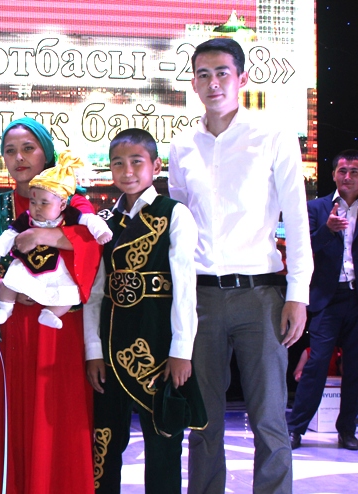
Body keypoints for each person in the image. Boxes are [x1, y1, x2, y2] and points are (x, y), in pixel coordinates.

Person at [168, 38, 313, 493]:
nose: (213, 83)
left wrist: (298, 294)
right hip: (201, 298)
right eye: (204, 75)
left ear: (242, 79)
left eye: (222, 73)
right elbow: (177, 230)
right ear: (193, 83)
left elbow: (297, 217)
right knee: (203, 421)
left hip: (260, 295)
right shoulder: (182, 146)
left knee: (269, 419)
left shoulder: (271, 137)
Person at [0, 117, 100, 493]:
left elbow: (93, 246)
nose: (19, 158)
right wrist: (6, 287)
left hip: (58, 326)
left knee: (57, 419)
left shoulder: (73, 201)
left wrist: (44, 235)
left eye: (28, 148)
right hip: (9, 328)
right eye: (10, 151)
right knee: (10, 416)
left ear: (47, 154)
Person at [84, 128, 205, 493]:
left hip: (157, 346)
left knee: (163, 441)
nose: (127, 171)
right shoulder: (104, 222)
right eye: (117, 163)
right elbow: (95, 292)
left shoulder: (173, 213)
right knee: (104, 442)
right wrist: (93, 351)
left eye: (136, 162)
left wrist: (181, 351)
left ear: (156, 166)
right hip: (111, 346)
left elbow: (185, 288)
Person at [0, 151, 112, 328]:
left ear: (62, 204)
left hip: (57, 270)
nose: (37, 208)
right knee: (10, 282)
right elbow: (10, 234)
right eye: (33, 202)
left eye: (44, 203)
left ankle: (50, 313)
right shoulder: (25, 217)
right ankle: (6, 309)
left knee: (68, 295)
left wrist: (101, 232)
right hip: (27, 266)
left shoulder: (72, 211)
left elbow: (90, 223)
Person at [288, 150, 358, 450]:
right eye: (343, 171)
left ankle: (347, 430)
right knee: (316, 363)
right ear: (333, 175)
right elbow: (304, 249)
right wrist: (327, 230)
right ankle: (296, 428)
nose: (348, 177)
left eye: (354, 172)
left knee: (354, 367)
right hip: (328, 297)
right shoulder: (316, 208)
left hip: (355, 297)